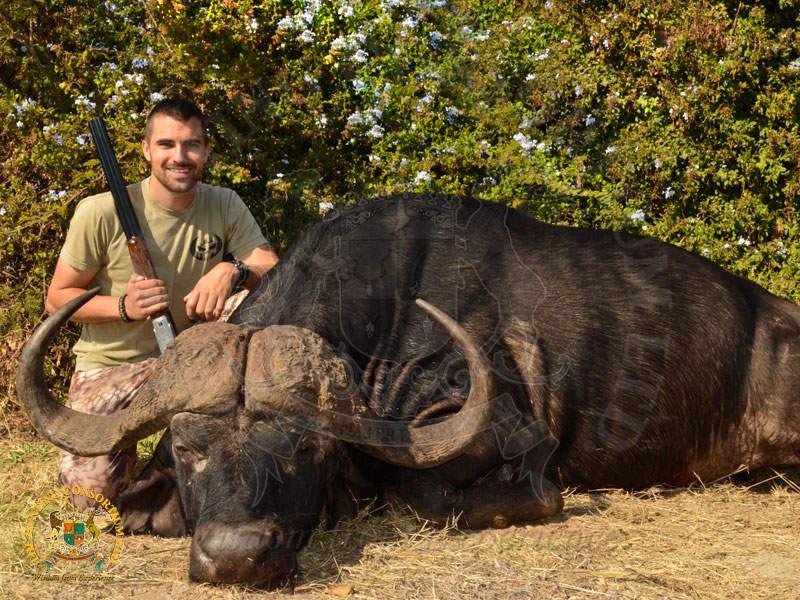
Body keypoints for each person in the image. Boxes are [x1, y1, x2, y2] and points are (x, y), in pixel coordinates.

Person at [45, 98, 278, 507]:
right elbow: (57, 299)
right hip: (114, 364)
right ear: (147, 150)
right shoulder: (98, 212)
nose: (180, 157)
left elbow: (269, 265)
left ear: (206, 152)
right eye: (167, 145)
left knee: (258, 295)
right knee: (88, 497)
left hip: (195, 358)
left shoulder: (223, 202)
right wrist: (123, 307)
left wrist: (231, 271)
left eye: (191, 145)